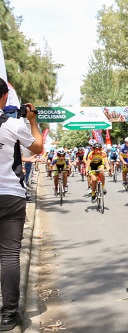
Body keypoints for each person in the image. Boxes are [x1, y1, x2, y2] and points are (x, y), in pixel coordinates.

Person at [0, 78, 43, 331]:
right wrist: (32, 120)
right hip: (10, 196)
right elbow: (38, 147)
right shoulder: (14, 124)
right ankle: (8, 315)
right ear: (5, 97)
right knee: (8, 255)